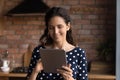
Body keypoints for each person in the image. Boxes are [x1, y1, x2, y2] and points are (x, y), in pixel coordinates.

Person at [26, 7, 88, 80]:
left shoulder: (79, 53)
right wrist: (35, 71)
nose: (55, 32)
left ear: (68, 26)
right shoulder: (38, 51)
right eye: (51, 28)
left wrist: (69, 78)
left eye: (59, 27)